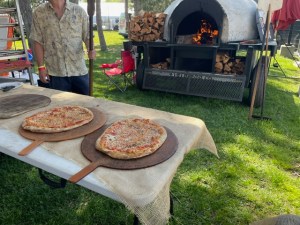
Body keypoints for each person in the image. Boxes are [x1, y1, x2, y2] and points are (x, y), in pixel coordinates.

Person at [30, 0, 96, 95]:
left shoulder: (78, 11)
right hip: (55, 73)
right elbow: (38, 42)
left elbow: (87, 36)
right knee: (60, 108)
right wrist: (41, 67)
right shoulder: (39, 13)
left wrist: (91, 48)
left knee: (86, 105)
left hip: (79, 71)